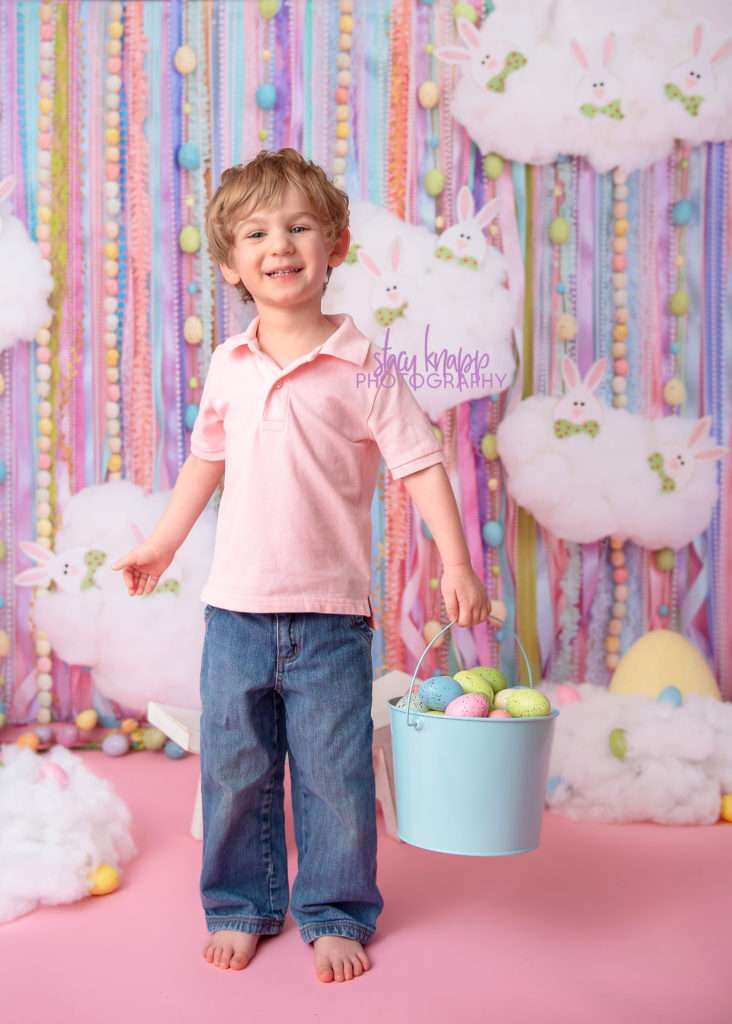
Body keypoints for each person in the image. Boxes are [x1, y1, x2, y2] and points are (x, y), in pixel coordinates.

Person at [112, 148, 491, 983]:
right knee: (236, 769)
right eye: (256, 232)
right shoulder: (230, 364)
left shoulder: (366, 367)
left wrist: (456, 563)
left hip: (329, 617)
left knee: (335, 776)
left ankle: (334, 910)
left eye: (298, 226)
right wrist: (162, 543)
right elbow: (204, 463)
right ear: (231, 264)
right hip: (235, 612)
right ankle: (241, 904)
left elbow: (420, 465)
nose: (278, 244)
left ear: (336, 245)